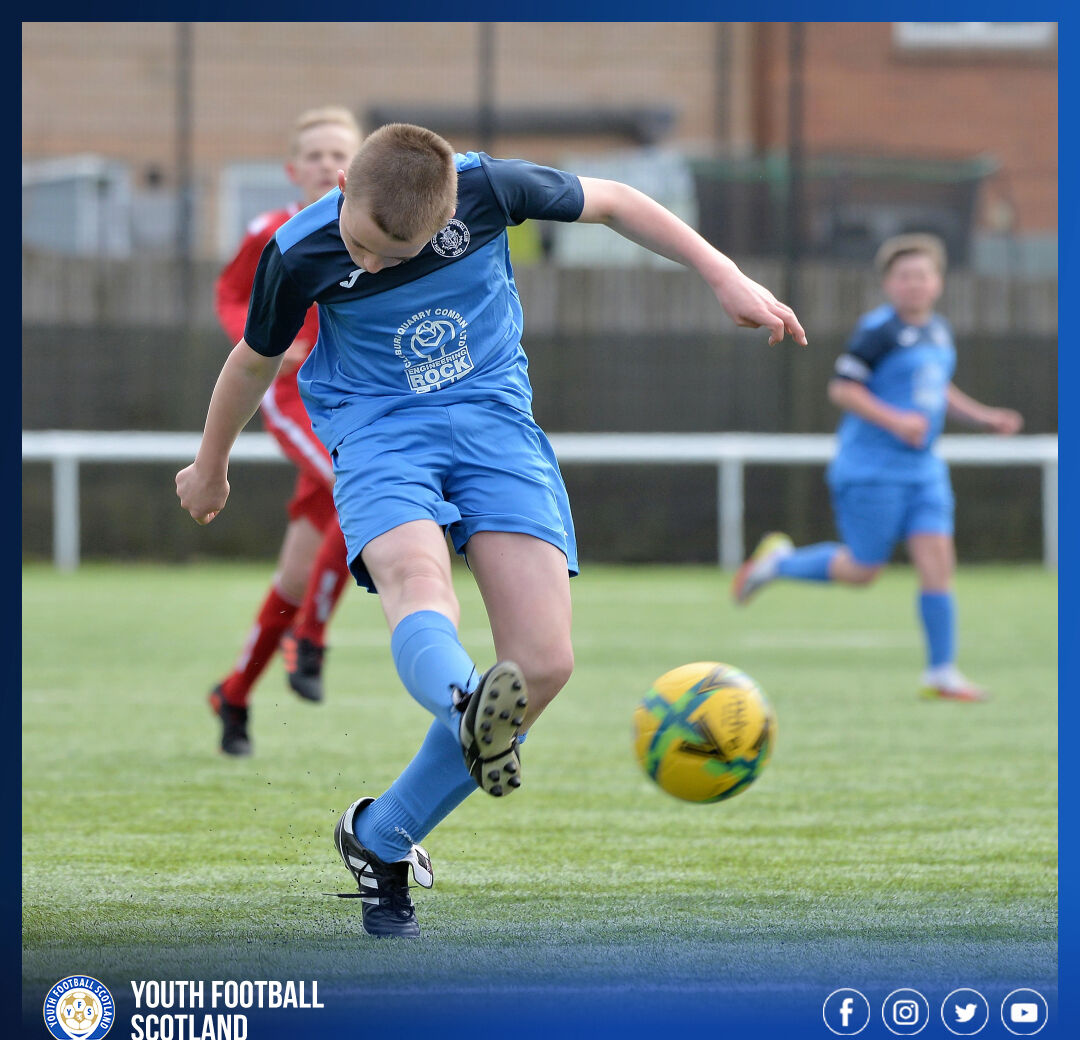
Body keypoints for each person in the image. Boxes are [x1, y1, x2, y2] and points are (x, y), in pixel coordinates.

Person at [177, 123, 806, 935]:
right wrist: (210, 465)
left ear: (447, 219)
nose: (367, 264)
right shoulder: (299, 252)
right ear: (340, 197)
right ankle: (464, 699)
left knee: (543, 663)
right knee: (415, 577)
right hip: (377, 432)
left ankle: (381, 837)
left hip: (495, 427)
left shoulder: (489, 188)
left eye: (390, 255)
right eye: (360, 244)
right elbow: (251, 363)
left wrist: (724, 275)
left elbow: (614, 201)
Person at [732, 232, 1023, 702]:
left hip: (923, 470)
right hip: (871, 469)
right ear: (889, 284)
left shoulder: (939, 331)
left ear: (938, 283)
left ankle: (941, 672)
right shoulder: (878, 331)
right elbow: (843, 389)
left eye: (922, 275)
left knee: (938, 566)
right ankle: (778, 564)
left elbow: (937, 388)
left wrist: (983, 417)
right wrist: (896, 420)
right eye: (904, 276)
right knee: (863, 570)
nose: (914, 284)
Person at [208, 106, 362, 756]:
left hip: (352, 402)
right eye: (317, 155)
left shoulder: (376, 233)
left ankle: (236, 692)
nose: (329, 165)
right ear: (293, 169)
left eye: (340, 155)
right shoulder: (274, 230)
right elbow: (233, 295)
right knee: (357, 481)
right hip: (294, 398)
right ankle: (312, 639)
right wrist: (264, 342)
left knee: (293, 581)